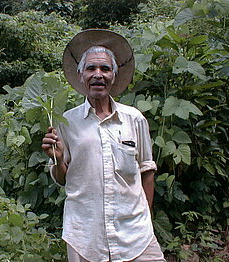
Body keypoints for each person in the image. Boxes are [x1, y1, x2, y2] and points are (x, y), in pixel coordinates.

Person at [41, 29, 166, 262]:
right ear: (80, 76)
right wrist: (57, 158)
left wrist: (146, 218)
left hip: (135, 232)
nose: (98, 74)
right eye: (91, 68)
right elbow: (62, 177)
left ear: (114, 77)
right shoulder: (66, 122)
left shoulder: (134, 119)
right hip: (85, 233)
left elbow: (146, 171)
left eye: (105, 69)